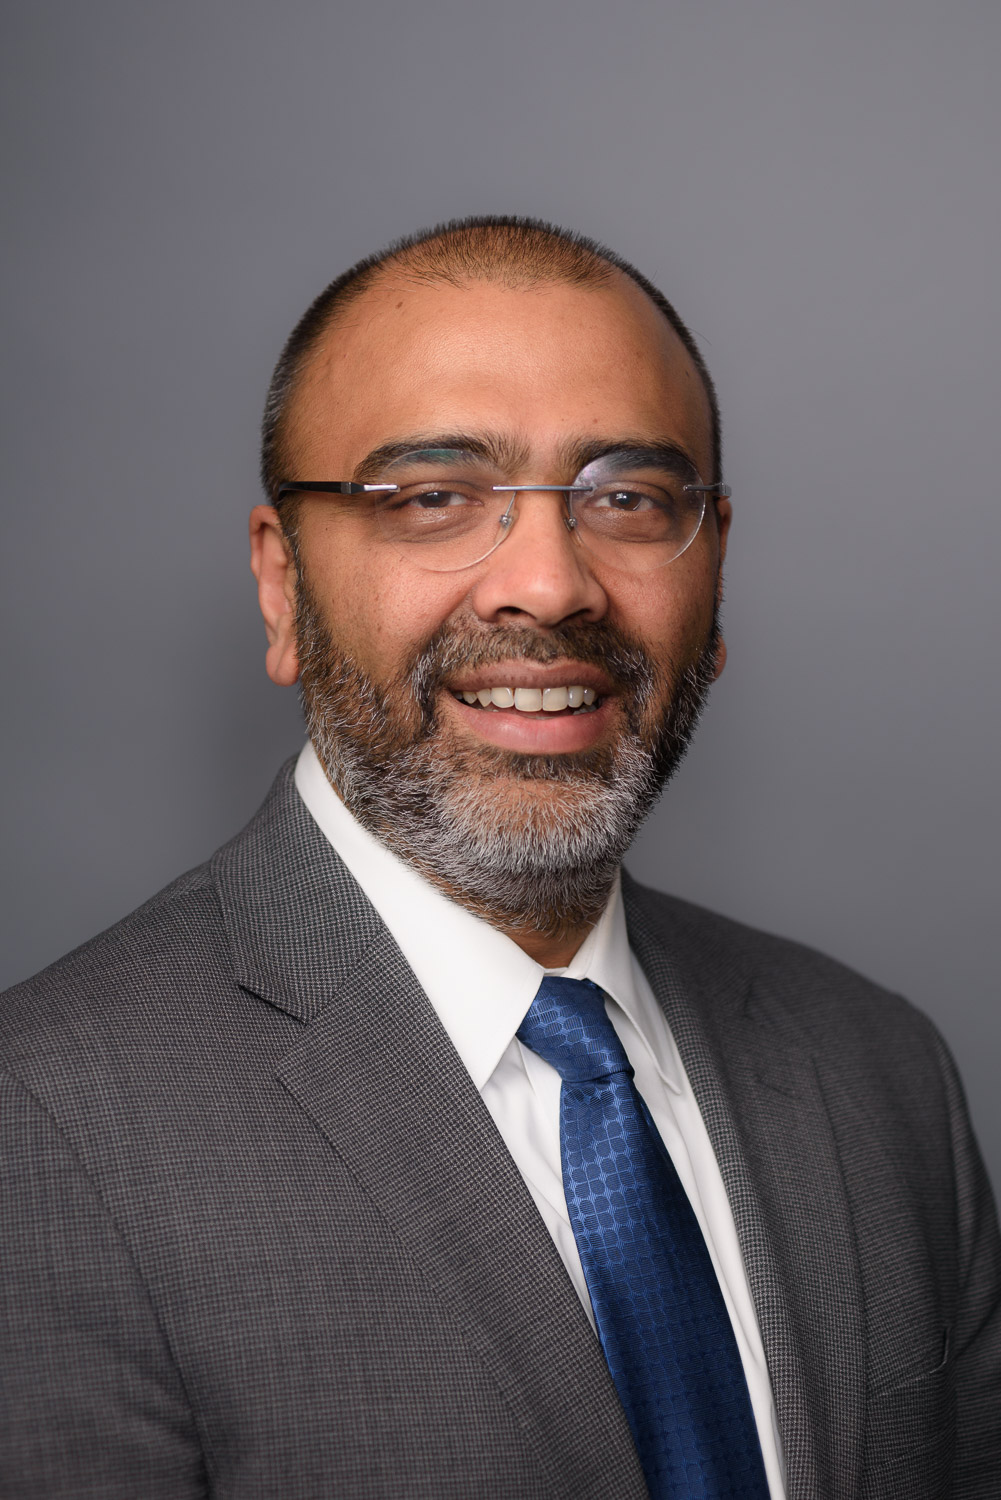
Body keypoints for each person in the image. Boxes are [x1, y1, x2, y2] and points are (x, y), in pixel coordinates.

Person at [1, 217, 998, 1500]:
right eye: (431, 498)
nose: (546, 583)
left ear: (715, 569)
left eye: (627, 500)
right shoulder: (44, 1127)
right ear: (280, 586)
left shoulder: (876, 1070)